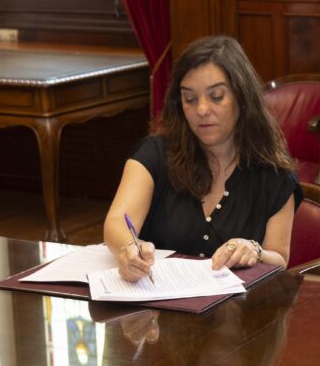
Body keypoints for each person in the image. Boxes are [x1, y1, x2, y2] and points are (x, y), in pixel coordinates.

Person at [104, 35, 302, 280]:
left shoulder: (273, 174)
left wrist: (255, 251)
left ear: (242, 98)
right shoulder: (155, 154)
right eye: (190, 99)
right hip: (159, 300)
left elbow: (279, 259)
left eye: (216, 96)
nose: (202, 110)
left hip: (240, 304)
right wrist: (128, 249)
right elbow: (116, 222)